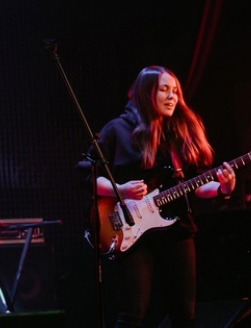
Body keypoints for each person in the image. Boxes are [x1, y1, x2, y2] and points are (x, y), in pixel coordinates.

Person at [78, 65, 236, 328]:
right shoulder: (118, 130)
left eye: (175, 91)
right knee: (133, 313)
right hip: (131, 230)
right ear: (146, 93)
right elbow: (87, 174)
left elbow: (195, 185)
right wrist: (121, 189)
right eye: (164, 90)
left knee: (184, 315)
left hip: (177, 229)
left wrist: (223, 189)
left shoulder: (179, 132)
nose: (172, 96)